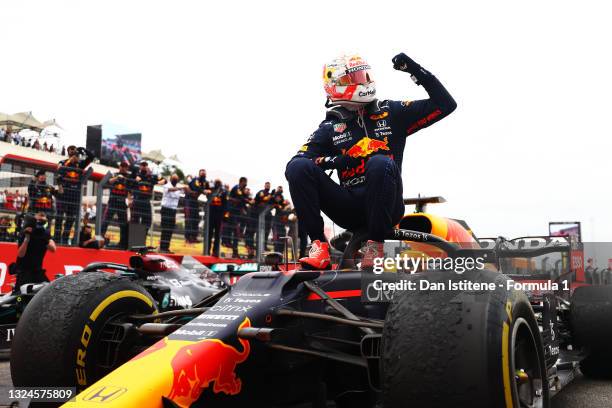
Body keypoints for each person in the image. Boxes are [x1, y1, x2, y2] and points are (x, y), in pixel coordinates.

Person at [286, 53, 456, 269]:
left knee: (378, 162)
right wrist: (342, 160)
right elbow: (297, 163)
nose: (363, 81)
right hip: (349, 208)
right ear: (335, 85)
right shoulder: (330, 128)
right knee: (298, 168)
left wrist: (414, 69)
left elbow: (446, 104)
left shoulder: (391, 112)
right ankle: (319, 246)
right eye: (354, 78)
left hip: (388, 207)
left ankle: (376, 246)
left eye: (364, 75)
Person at [55, 146, 94, 244]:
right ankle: (56, 239)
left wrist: (85, 150)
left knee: (70, 219)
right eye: (71, 151)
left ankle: (64, 240)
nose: (74, 153)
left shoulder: (80, 164)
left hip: (74, 196)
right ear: (68, 153)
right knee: (59, 217)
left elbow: (92, 157)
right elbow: (58, 171)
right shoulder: (63, 162)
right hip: (63, 194)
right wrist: (69, 161)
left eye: (76, 153)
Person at [12, 212, 56, 292]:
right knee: (20, 297)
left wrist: (45, 239)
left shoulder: (45, 232)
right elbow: (20, 255)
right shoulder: (26, 231)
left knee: (47, 293)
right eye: (40, 215)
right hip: (24, 272)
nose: (41, 218)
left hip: (37, 271)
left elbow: (53, 249)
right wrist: (26, 240)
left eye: (43, 216)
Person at [101, 161, 132, 248]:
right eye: (122, 166)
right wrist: (117, 178)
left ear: (127, 168)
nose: (123, 168)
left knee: (123, 225)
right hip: (112, 201)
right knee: (105, 222)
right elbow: (108, 182)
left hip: (122, 202)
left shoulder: (129, 177)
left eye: (125, 166)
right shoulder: (114, 174)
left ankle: (122, 243)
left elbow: (130, 190)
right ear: (119, 167)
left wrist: (129, 200)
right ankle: (100, 239)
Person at [130, 161, 161, 235]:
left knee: (147, 220)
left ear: (147, 167)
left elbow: (162, 180)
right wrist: (130, 199)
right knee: (135, 220)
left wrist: (157, 181)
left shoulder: (151, 177)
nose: (144, 166)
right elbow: (130, 183)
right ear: (140, 166)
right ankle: (134, 237)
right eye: (142, 165)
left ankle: (142, 235)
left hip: (146, 201)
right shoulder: (136, 174)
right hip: (137, 200)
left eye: (145, 165)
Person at [159, 174, 185, 253]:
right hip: (166, 209)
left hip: (173, 210)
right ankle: (162, 247)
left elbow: (187, 191)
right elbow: (170, 189)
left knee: (170, 229)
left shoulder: (178, 187)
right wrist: (181, 187)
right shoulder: (167, 185)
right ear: (170, 179)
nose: (175, 180)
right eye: (174, 178)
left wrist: (186, 187)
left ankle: (166, 248)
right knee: (165, 228)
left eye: (176, 179)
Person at [184, 169, 210, 243]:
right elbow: (196, 187)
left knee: (196, 218)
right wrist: (203, 191)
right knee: (189, 219)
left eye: (204, 174)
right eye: (202, 174)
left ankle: (194, 237)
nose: (203, 175)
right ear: (199, 174)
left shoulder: (205, 182)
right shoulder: (196, 180)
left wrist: (209, 191)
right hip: (189, 201)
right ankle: (188, 237)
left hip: (195, 201)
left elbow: (208, 189)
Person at [226, 177, 248, 258]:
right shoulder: (237, 188)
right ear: (241, 182)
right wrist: (248, 201)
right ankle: (232, 248)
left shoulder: (242, 190)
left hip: (238, 214)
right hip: (232, 213)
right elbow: (242, 198)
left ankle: (235, 251)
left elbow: (244, 199)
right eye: (245, 182)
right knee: (235, 230)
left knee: (236, 232)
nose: (246, 184)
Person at [207, 179, 227, 257]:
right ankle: (207, 250)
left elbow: (225, 205)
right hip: (210, 214)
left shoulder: (223, 192)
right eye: (216, 183)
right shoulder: (211, 190)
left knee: (217, 235)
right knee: (209, 233)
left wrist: (225, 215)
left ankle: (215, 251)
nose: (217, 184)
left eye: (219, 183)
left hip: (219, 215)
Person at [254, 182, 273, 250]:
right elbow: (259, 199)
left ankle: (264, 245)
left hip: (267, 215)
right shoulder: (261, 192)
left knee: (267, 232)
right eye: (267, 185)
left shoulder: (271, 195)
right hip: (260, 214)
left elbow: (274, 203)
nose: (268, 186)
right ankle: (258, 246)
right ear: (264, 185)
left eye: (269, 185)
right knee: (259, 231)